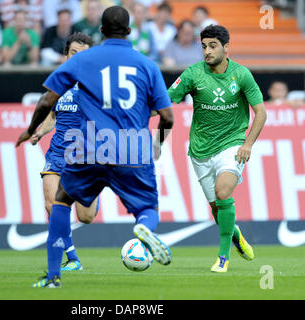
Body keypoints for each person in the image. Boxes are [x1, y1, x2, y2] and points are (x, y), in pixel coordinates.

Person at [16, 5, 174, 288]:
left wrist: (30, 130)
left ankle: (53, 277)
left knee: (61, 202)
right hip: (131, 148)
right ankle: (143, 228)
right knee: (148, 208)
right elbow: (167, 117)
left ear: (100, 31)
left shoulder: (84, 61)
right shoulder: (147, 64)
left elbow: (45, 101)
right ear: (129, 31)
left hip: (88, 147)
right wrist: (158, 144)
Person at [168, 25, 267, 273]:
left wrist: (247, 144)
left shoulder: (241, 75)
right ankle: (235, 234)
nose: (207, 51)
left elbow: (261, 113)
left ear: (226, 47)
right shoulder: (192, 74)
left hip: (232, 143)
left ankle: (223, 258)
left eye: (212, 46)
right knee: (217, 207)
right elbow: (167, 99)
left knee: (223, 193)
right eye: (203, 46)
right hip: (200, 149)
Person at [26, 32, 97, 272]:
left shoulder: (97, 84)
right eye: (73, 52)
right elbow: (54, 115)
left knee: (86, 217)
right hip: (57, 152)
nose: (77, 57)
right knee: (51, 204)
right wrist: (40, 131)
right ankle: (73, 258)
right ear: (66, 55)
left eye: (83, 54)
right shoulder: (58, 81)